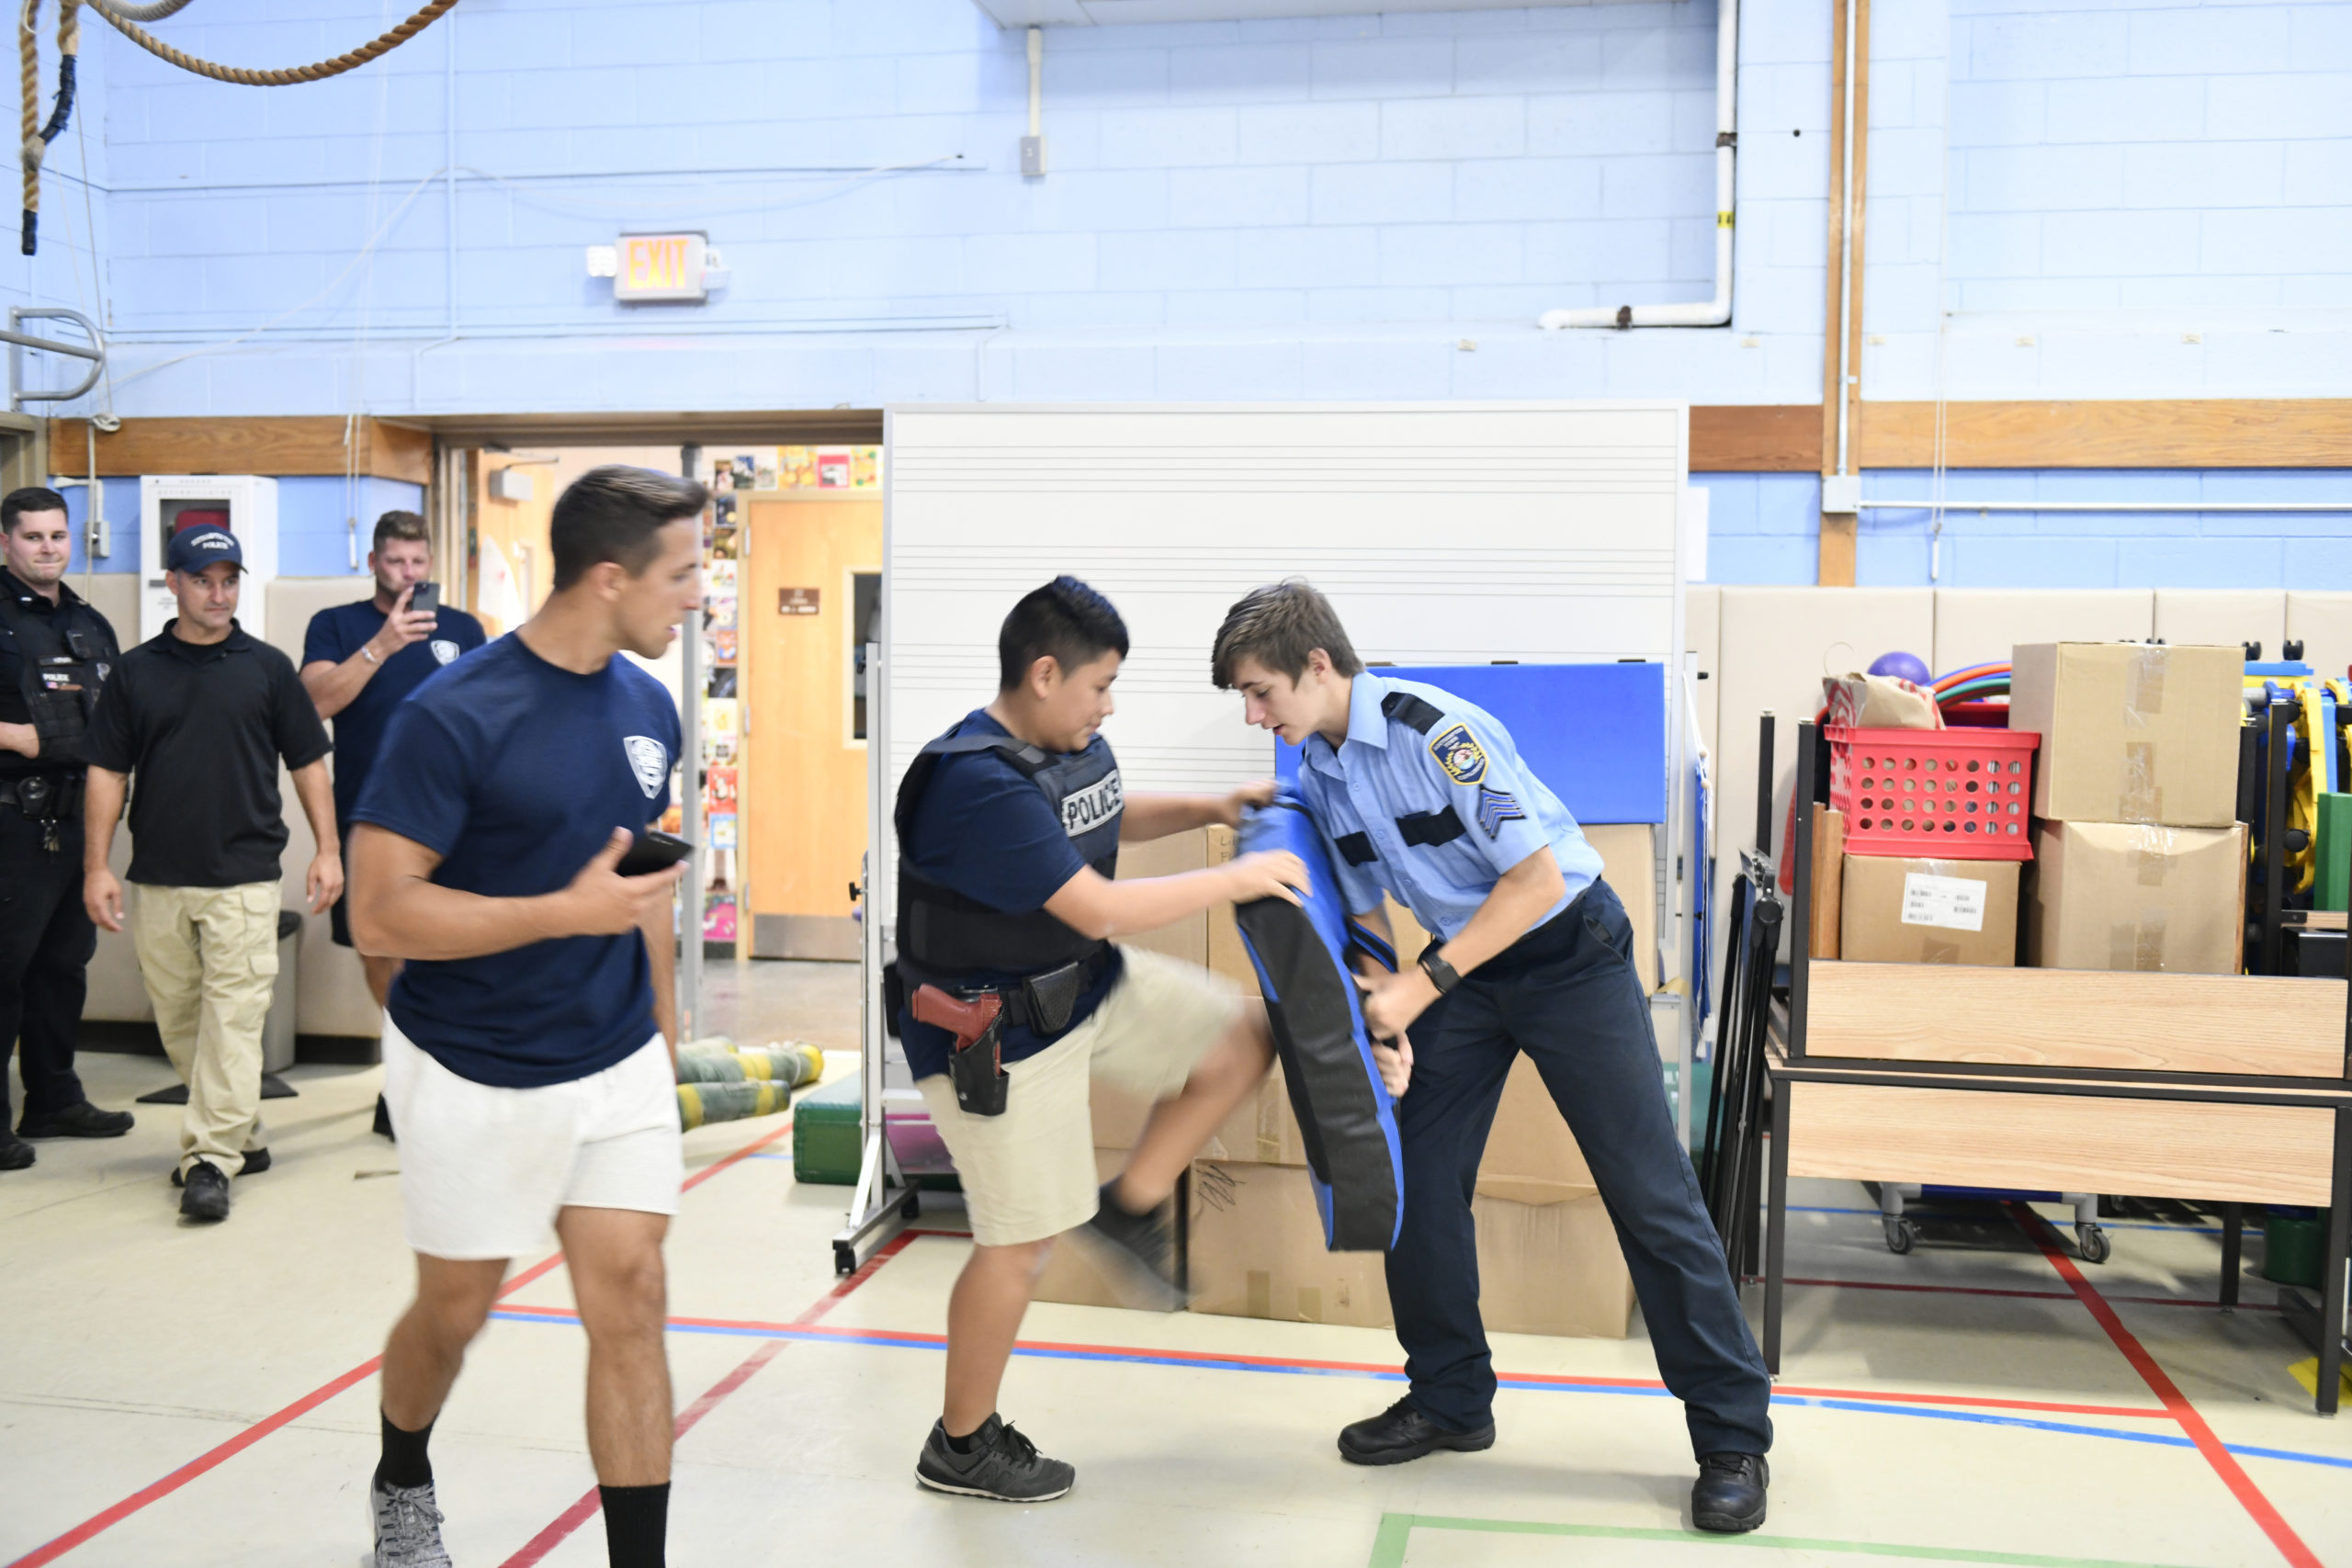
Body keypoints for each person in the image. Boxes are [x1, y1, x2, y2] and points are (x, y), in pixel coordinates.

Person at [1210, 579, 1774, 1535]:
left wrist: (1419, 988)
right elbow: (1362, 917)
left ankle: (1731, 1436)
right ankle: (1449, 1398)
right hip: (1460, 973)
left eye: (1262, 692)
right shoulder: (1323, 766)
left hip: (1564, 951)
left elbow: (1536, 880)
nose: (1257, 716)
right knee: (1414, 1178)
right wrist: (1374, 1029)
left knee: (1648, 1192)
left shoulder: (1438, 732)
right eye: (1245, 703)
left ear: (1317, 664)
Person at [345, 466, 700, 1568]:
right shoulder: (451, 715)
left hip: (614, 1059)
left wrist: (664, 1036)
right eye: (682, 574)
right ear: (608, 577)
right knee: (453, 1313)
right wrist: (561, 912)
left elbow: (636, 887)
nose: (694, 596)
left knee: (632, 1299)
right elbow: (379, 912)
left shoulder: (649, 706)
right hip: (472, 1066)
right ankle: (402, 1473)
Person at [893, 575, 1309, 1505]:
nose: (1109, 704)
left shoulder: (1062, 748)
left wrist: (1210, 807)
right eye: (1100, 685)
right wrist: (1237, 880)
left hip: (1083, 989)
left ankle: (1130, 1201)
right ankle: (960, 1444)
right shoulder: (972, 784)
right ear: (1044, 675)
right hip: (993, 1039)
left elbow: (1103, 819)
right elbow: (1099, 902)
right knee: (1019, 1244)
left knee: (1243, 1036)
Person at [81, 524, 343, 1223]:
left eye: (230, 580)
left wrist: (328, 848)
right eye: (203, 580)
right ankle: (242, 1134)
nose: (218, 593)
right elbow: (107, 772)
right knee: (184, 1023)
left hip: (246, 875)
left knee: (233, 1019)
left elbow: (308, 761)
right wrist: (97, 866)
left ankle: (209, 1160)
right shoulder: (135, 672)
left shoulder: (266, 666)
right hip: (159, 876)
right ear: (173, 582)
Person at [300, 510, 487, 1015]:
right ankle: (404, 1052)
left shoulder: (463, 629)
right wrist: (382, 645)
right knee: (377, 941)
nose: (409, 573)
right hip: (368, 811)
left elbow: (491, 716)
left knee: (451, 939)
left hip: (455, 814)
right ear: (372, 562)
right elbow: (313, 704)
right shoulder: (336, 625)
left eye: (418, 561)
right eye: (396, 561)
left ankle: (444, 1058)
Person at [0, 487, 133, 1168]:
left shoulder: (89, 622)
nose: (49, 548)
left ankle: (52, 1097)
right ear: (5, 542)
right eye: (34, 537)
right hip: (10, 822)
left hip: (79, 818)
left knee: (62, 967)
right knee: (3, 972)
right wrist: (14, 735)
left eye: (58, 535)